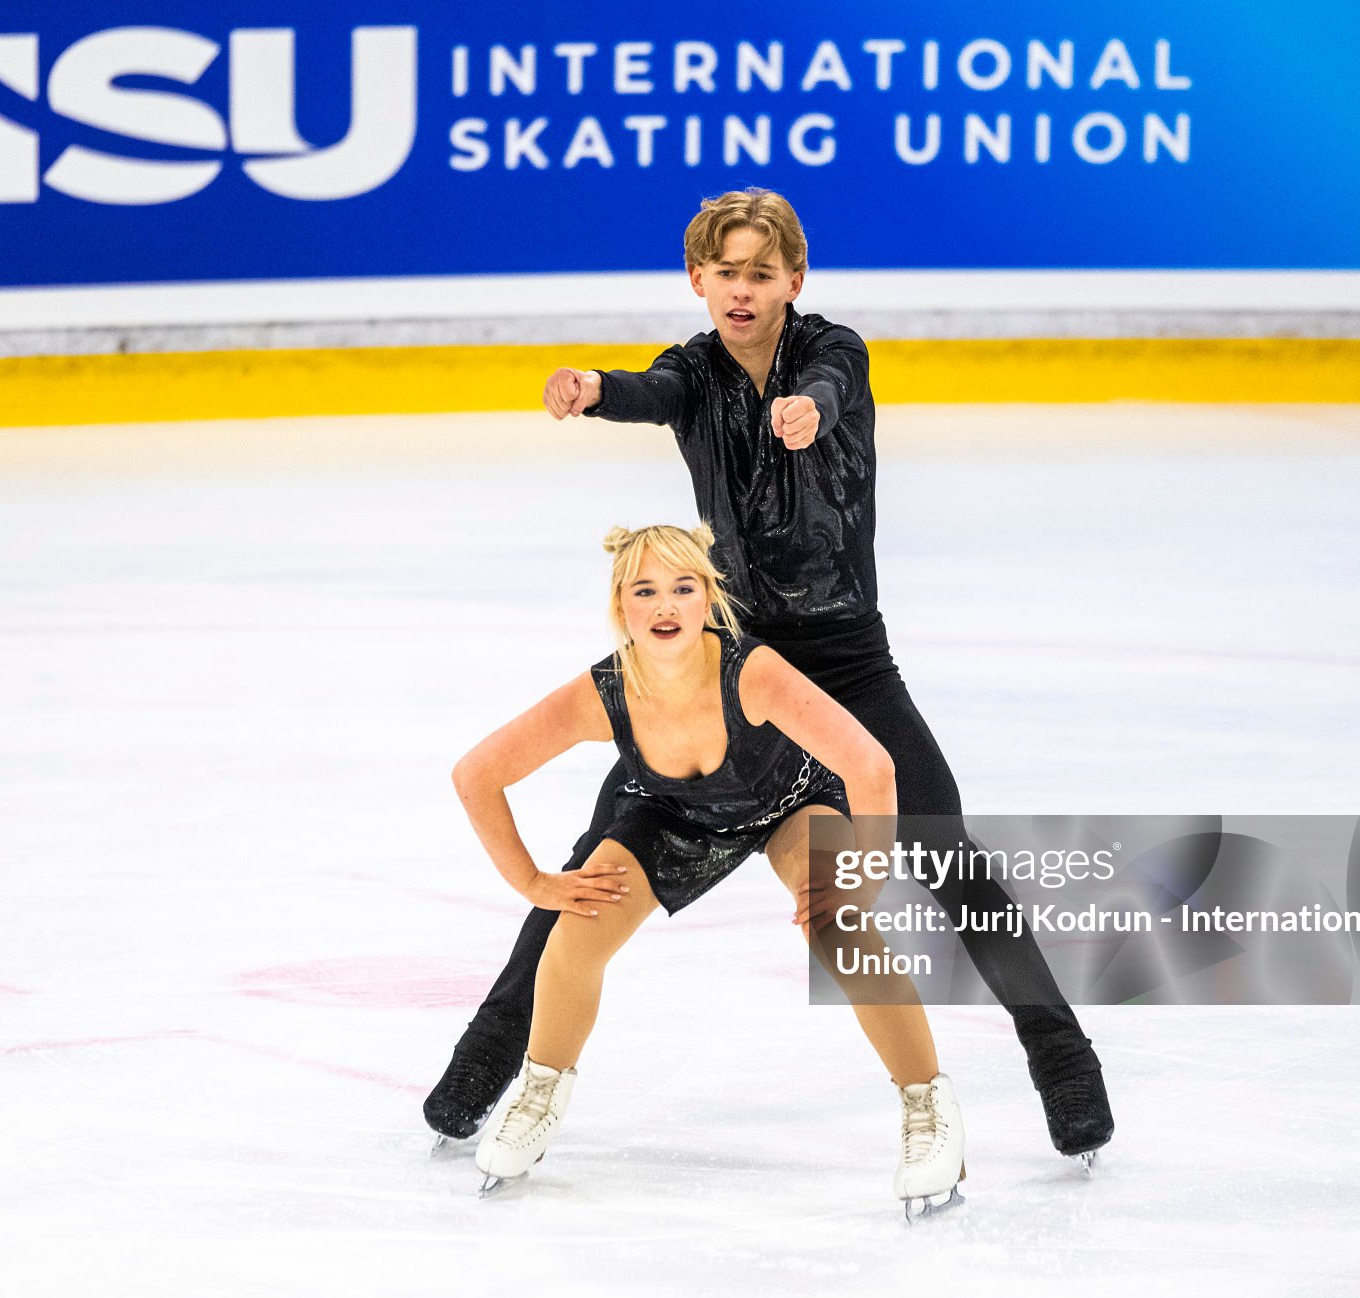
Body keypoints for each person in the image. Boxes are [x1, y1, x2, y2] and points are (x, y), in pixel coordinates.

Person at [427, 188, 1114, 1166]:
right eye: (726, 273)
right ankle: (484, 1063)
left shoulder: (833, 353)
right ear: (697, 280)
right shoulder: (693, 372)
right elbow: (647, 391)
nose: (742, 290)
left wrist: (808, 410)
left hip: (846, 662)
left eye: (760, 272)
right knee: (592, 871)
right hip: (730, 665)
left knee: (947, 854)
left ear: (794, 278)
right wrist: (590, 387)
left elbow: (831, 385)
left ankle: (1061, 1058)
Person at [453, 523, 966, 1216]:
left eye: (683, 588)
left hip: (789, 803)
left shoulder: (751, 673)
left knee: (838, 929)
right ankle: (539, 1092)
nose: (665, 605)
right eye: (645, 591)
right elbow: (477, 773)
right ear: (620, 603)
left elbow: (870, 765)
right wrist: (535, 884)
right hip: (671, 813)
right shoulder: (605, 691)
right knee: (576, 929)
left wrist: (863, 881)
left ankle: (927, 1105)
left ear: (707, 597)